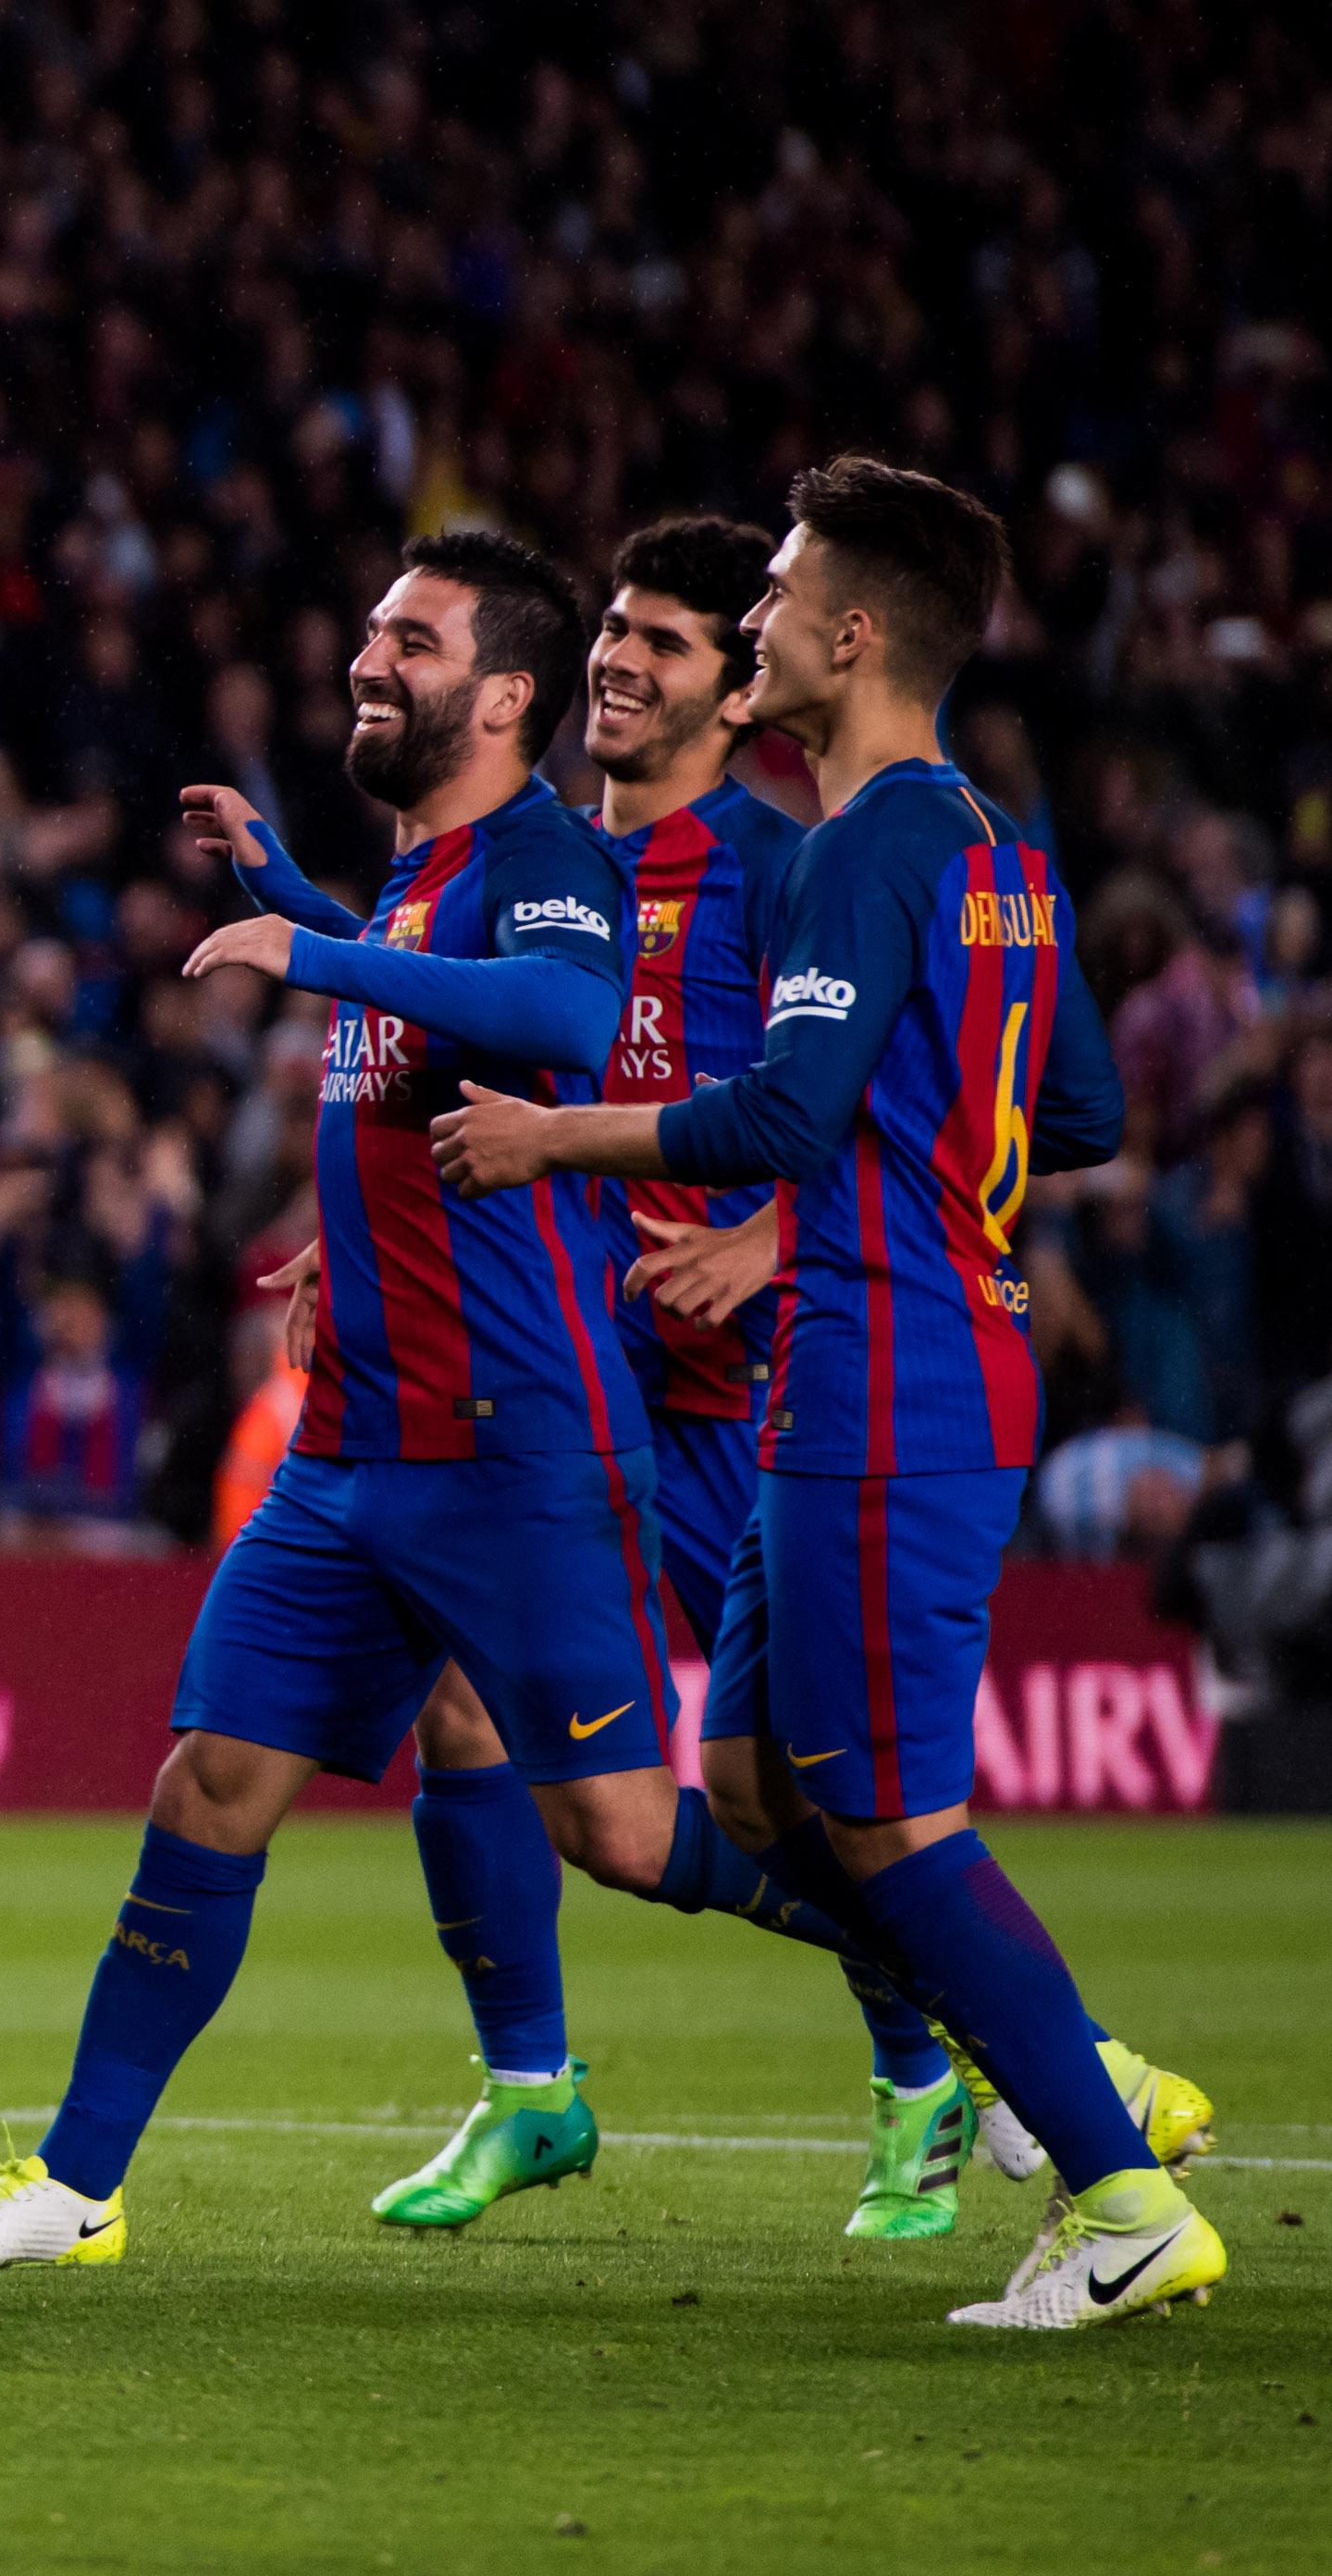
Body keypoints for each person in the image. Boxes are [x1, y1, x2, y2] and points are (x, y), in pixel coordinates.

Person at [425, 456, 1226, 2330]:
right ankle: (1068, 2084)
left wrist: (559, 1134)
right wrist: (929, 1161)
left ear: (846, 635)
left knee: (883, 1811)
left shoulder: (861, 849)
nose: (755, 622)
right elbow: (1081, 1112)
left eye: (773, 597)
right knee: (756, 1779)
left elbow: (779, 1115)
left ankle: (1107, 2173)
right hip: (876, 1356)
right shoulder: (993, 848)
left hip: (893, 1368)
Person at [0, 529, 667, 2272]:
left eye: (411, 636)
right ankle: (76, 2184)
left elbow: (554, 1011)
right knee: (212, 1777)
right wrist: (307, 897)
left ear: (508, 691)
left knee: (631, 1828)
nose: (368, 656)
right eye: (372, 626)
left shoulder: (543, 857)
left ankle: (962, 2010)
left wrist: (310, 952)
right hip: (350, 1447)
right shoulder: (412, 876)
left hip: (504, 1443)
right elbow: (412, 1024)